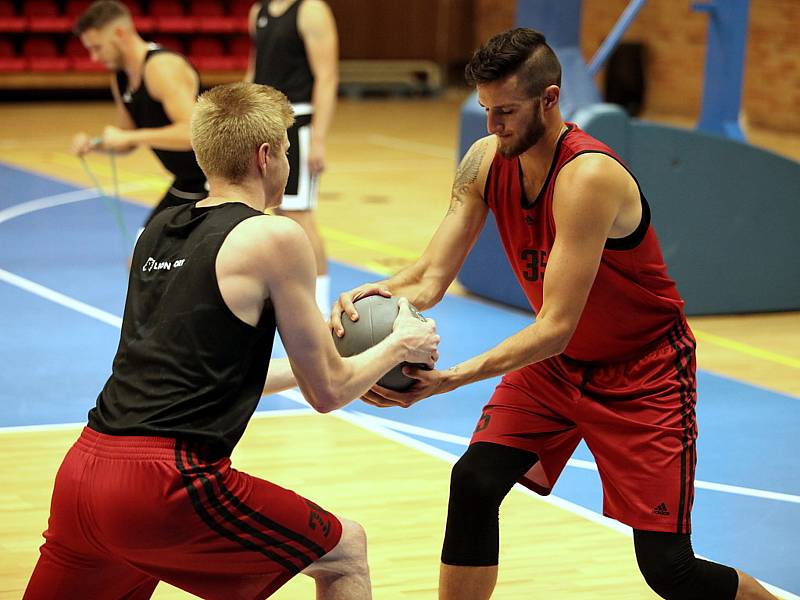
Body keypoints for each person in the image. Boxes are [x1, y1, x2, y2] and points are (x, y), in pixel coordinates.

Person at [331, 28, 777, 600]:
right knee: (474, 480)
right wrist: (368, 299)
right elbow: (428, 278)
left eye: (507, 112)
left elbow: (553, 326)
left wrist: (448, 381)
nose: (493, 126)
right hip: (560, 367)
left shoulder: (587, 177)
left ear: (550, 99)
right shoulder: (487, 158)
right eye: (487, 110)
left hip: (642, 373)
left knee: (670, 570)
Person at [24, 82, 439, 600]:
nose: (288, 162)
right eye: (286, 150)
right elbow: (329, 392)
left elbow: (206, 375)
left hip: (82, 474)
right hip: (164, 485)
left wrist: (339, 356)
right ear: (266, 157)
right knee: (344, 550)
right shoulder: (275, 237)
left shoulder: (155, 233)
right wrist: (400, 343)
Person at [71, 0, 207, 226]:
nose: (94, 58)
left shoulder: (161, 67)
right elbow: (126, 140)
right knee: (142, 252)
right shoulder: (121, 77)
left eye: (97, 47)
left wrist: (130, 137)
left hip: (217, 182)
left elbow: (193, 134)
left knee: (163, 256)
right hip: (188, 180)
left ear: (120, 33)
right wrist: (94, 144)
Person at [246, 0, 338, 315]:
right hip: (263, 123)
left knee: (300, 215)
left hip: (298, 124)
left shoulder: (311, 10)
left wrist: (319, 138)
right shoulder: (257, 11)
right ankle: (282, 290)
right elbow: (253, 71)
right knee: (275, 211)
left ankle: (323, 308)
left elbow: (327, 77)